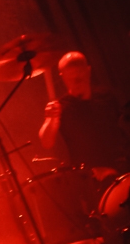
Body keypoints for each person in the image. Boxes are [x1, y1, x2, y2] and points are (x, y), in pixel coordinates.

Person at [38, 51, 129, 182]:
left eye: (79, 72)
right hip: (89, 176)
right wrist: (51, 120)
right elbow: (46, 143)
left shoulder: (106, 96)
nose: (76, 78)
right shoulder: (60, 108)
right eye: (71, 75)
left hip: (122, 167)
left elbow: (123, 129)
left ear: (88, 70)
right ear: (62, 76)